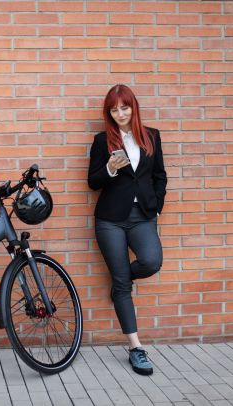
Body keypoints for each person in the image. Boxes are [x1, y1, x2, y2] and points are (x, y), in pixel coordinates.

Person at [87, 84, 167, 375]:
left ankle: (120, 282)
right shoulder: (101, 140)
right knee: (122, 286)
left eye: (124, 107)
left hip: (143, 216)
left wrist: (157, 206)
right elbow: (93, 181)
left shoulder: (152, 136)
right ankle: (136, 348)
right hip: (110, 219)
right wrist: (109, 168)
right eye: (114, 109)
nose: (120, 113)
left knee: (151, 261)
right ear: (109, 113)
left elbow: (159, 175)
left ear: (133, 107)